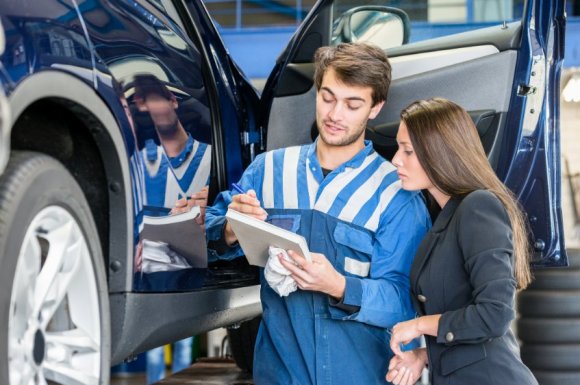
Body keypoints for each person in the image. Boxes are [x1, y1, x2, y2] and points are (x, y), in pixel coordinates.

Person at [205, 43, 431, 385]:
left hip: (363, 374)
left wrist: (340, 286)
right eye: (327, 97)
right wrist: (230, 228)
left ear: (376, 107)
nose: (335, 115)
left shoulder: (395, 195)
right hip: (280, 373)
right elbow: (207, 229)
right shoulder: (267, 172)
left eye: (353, 104)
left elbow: (405, 303)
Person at [386, 97, 537, 385]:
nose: (396, 159)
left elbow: (494, 315)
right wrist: (424, 356)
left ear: (438, 153)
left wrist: (419, 326)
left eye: (408, 151)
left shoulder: (478, 207)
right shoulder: (445, 217)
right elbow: (463, 323)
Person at [133, 73, 210, 210]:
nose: (154, 109)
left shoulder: (213, 157)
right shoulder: (137, 165)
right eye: (146, 103)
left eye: (156, 100)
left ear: (173, 101)